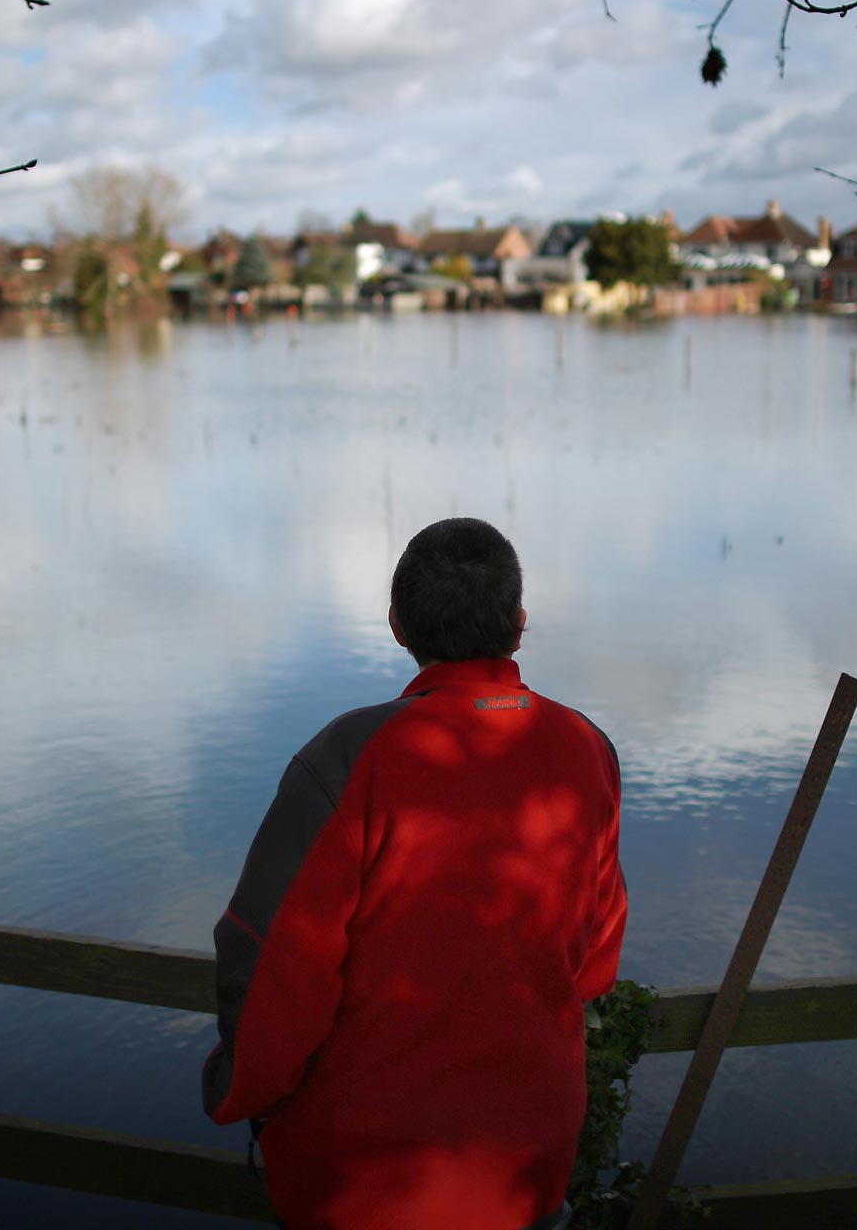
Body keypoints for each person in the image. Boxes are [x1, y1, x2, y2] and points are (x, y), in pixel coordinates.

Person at [202, 517, 628, 1230]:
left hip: (363, 1184)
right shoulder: (588, 750)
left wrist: (239, 1091)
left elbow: (277, 960)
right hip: (527, 1170)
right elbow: (594, 961)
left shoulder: (346, 757)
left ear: (398, 626)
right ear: (519, 626)